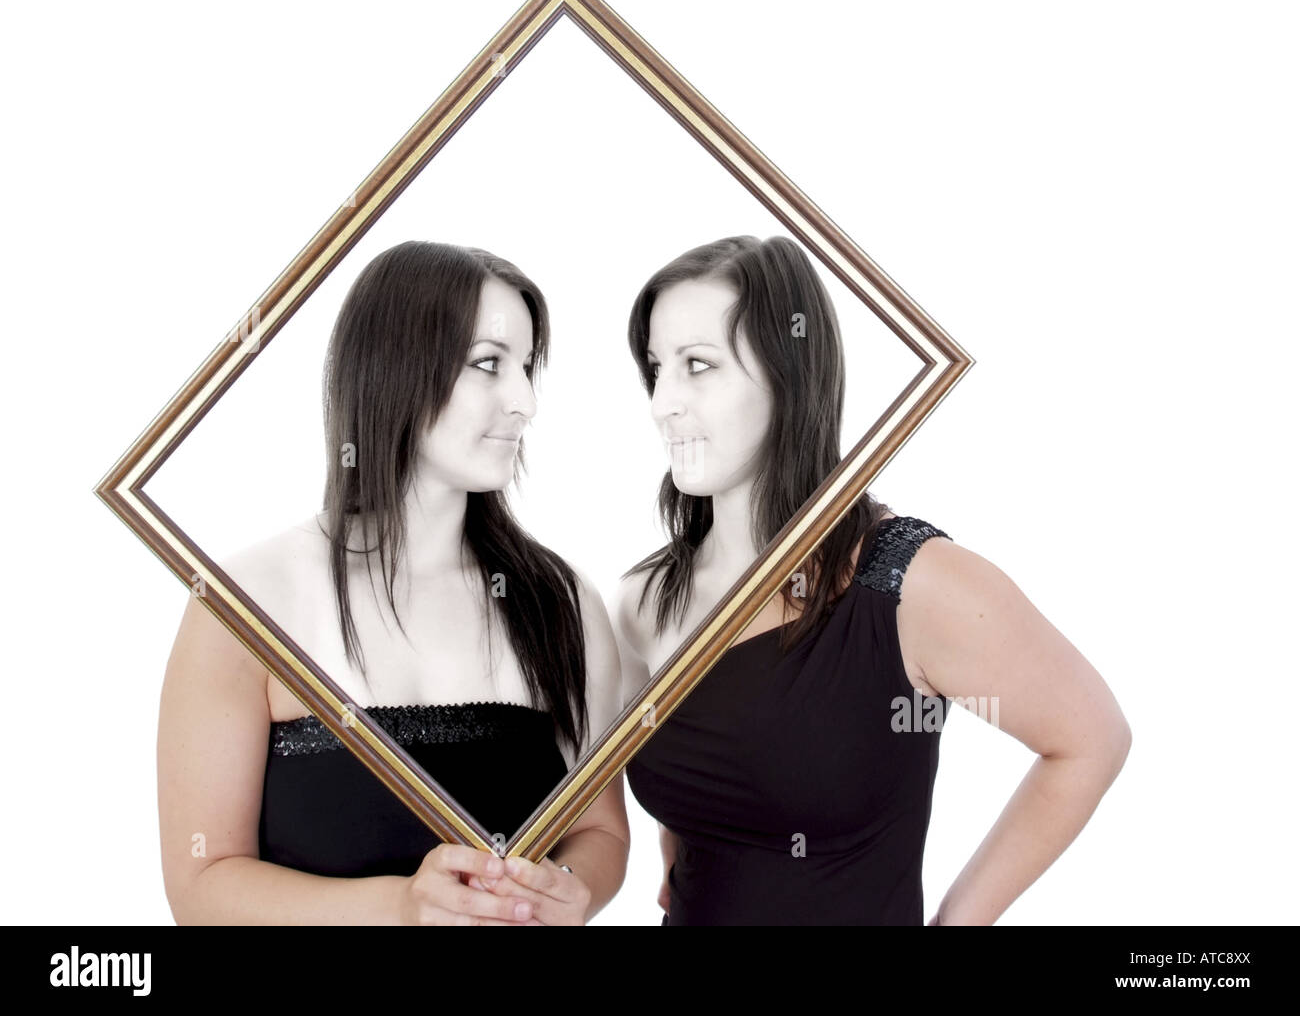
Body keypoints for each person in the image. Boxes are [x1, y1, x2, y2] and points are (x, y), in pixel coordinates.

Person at [613, 235, 1131, 925]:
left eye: (698, 366)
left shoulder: (911, 583)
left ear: (788, 374)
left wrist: (960, 921)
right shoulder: (642, 601)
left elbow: (1091, 738)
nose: (662, 403)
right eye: (657, 367)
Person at [158, 241, 629, 925]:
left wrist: (565, 890)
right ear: (396, 368)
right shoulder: (245, 603)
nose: (524, 401)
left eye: (526, 368)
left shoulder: (563, 603)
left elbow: (601, 834)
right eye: (488, 365)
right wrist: (402, 908)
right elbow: (201, 887)